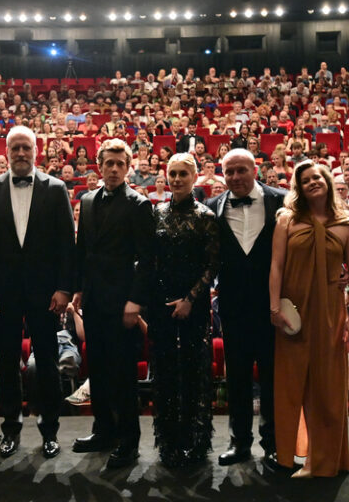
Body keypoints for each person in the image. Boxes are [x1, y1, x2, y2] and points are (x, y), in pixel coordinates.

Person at [0, 126, 74, 460]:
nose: (20, 154)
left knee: (46, 361)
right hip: (3, 294)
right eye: (15, 148)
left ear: (36, 150)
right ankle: (11, 429)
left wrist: (63, 288)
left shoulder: (56, 188)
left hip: (46, 293)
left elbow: (65, 245)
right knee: (7, 362)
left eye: (26, 148)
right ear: (6, 151)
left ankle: (50, 430)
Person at [269, 160, 349, 478]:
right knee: (292, 384)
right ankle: (291, 455)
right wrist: (274, 309)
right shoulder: (286, 219)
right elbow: (276, 266)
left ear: (328, 181)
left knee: (327, 386)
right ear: (299, 186)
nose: (312, 182)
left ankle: (324, 460)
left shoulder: (347, 225)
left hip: (329, 312)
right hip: (292, 313)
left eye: (317, 177)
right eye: (305, 179)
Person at [72, 138, 155, 469]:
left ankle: (129, 442)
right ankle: (103, 430)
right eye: (109, 163)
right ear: (99, 166)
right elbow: (83, 251)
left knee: (122, 376)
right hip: (93, 301)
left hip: (122, 303)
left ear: (129, 167)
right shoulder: (88, 200)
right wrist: (79, 289)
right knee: (100, 372)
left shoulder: (139, 204)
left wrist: (135, 302)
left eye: (121, 164)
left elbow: (148, 261)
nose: (115, 169)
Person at [204, 149, 286, 468]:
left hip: (272, 306)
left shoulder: (282, 201)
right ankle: (239, 442)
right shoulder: (212, 208)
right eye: (229, 172)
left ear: (256, 170)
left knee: (272, 378)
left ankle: (274, 443)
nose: (235, 177)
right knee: (236, 378)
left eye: (241, 170)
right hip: (233, 308)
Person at [147, 153, 218, 467]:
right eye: (172, 174)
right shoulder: (156, 212)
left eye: (182, 174)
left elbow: (212, 265)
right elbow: (150, 261)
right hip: (161, 302)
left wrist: (189, 299)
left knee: (194, 369)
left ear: (194, 178)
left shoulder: (206, 216)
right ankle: (168, 441)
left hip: (196, 302)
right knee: (164, 371)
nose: (176, 179)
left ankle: (195, 441)